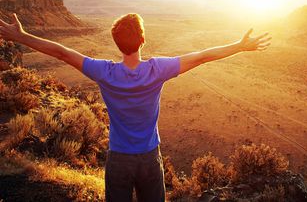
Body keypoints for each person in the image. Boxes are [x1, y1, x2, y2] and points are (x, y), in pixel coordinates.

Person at [0, 13, 271, 202]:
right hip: (150, 158)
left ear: (117, 44)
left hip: (118, 158)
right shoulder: (157, 69)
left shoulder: (103, 72)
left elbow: (62, 52)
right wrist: (239, 46)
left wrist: (22, 37)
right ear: (142, 41)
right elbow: (203, 56)